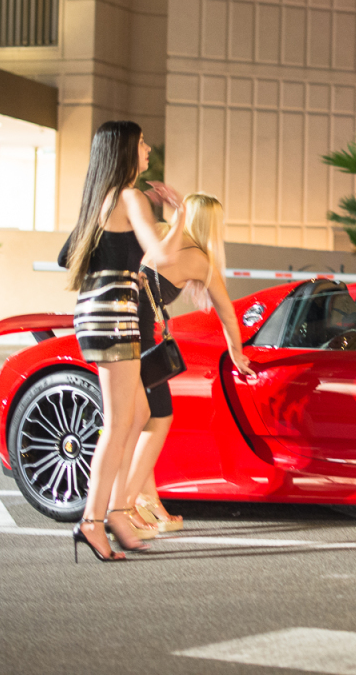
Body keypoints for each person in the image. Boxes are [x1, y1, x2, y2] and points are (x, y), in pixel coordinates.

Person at [61, 121, 185, 563]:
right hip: (115, 318)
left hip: (97, 316)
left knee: (142, 412)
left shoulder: (100, 198)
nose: (148, 148)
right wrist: (181, 213)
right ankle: (93, 520)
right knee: (117, 423)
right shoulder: (130, 197)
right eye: (142, 142)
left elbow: (67, 255)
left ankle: (115, 512)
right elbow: (161, 255)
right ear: (126, 151)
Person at [119, 192, 250, 532]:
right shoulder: (198, 259)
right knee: (159, 418)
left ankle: (151, 503)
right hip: (142, 340)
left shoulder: (162, 233)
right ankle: (124, 505)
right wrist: (237, 351)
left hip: (119, 328)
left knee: (143, 422)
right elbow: (227, 313)